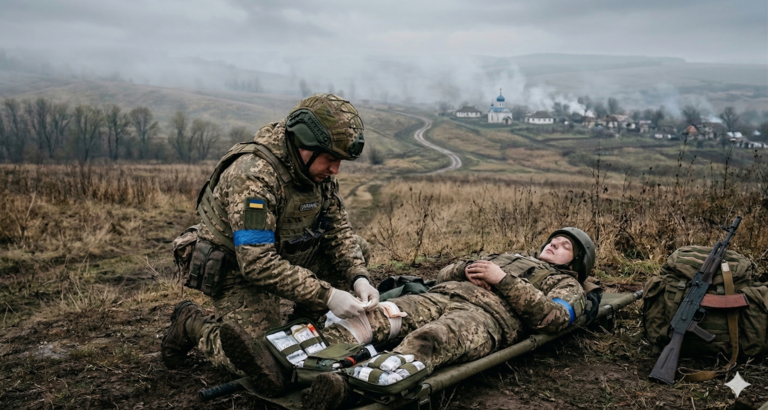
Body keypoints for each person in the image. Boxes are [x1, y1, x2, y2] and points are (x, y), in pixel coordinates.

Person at [219, 228, 598, 410]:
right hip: (438, 296)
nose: (555, 244)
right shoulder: (509, 255)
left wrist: (503, 281)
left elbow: (552, 320)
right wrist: (464, 268)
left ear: (577, 263)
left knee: (427, 342)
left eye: (566, 246)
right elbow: (441, 274)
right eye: (554, 238)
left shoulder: (566, 285)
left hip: (485, 319)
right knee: (375, 318)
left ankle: (343, 389)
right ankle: (284, 366)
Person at [162, 94, 380, 374]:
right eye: (330, 159)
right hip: (239, 267)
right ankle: (190, 323)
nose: (335, 170)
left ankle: (305, 325)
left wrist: (359, 277)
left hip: (285, 254)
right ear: (304, 145)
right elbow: (256, 263)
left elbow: (338, 229)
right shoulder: (254, 175)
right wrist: (327, 296)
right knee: (259, 360)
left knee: (357, 250)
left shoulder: (316, 172)